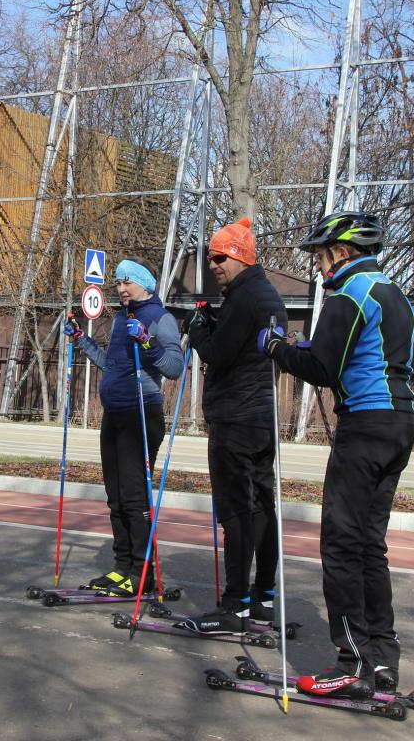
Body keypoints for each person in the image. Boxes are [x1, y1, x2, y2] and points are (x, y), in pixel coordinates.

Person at [260, 211, 414, 699]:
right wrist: (311, 347)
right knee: (370, 545)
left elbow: (323, 369)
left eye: (321, 256)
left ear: (342, 252)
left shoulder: (348, 295)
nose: (319, 265)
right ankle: (383, 658)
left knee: (341, 546)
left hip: (365, 426)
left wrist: (277, 348)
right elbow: (362, 355)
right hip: (399, 422)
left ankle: (352, 663)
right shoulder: (394, 293)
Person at [181, 217, 286, 635]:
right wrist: (213, 323)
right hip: (260, 416)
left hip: (236, 417)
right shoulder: (266, 294)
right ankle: (262, 598)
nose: (213, 265)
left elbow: (220, 355)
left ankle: (236, 604)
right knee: (261, 506)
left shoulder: (244, 299)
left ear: (240, 257)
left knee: (236, 510)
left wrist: (198, 331)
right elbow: (242, 347)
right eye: (211, 257)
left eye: (219, 257)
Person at [63, 259, 183, 596]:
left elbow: (174, 367)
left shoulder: (160, 317)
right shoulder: (121, 319)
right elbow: (111, 364)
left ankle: (143, 573)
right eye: (117, 283)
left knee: (134, 497)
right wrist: (82, 341)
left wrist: (147, 342)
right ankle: (122, 567)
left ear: (144, 283)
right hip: (114, 414)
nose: (121, 288)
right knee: (115, 497)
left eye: (127, 282)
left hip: (141, 414)